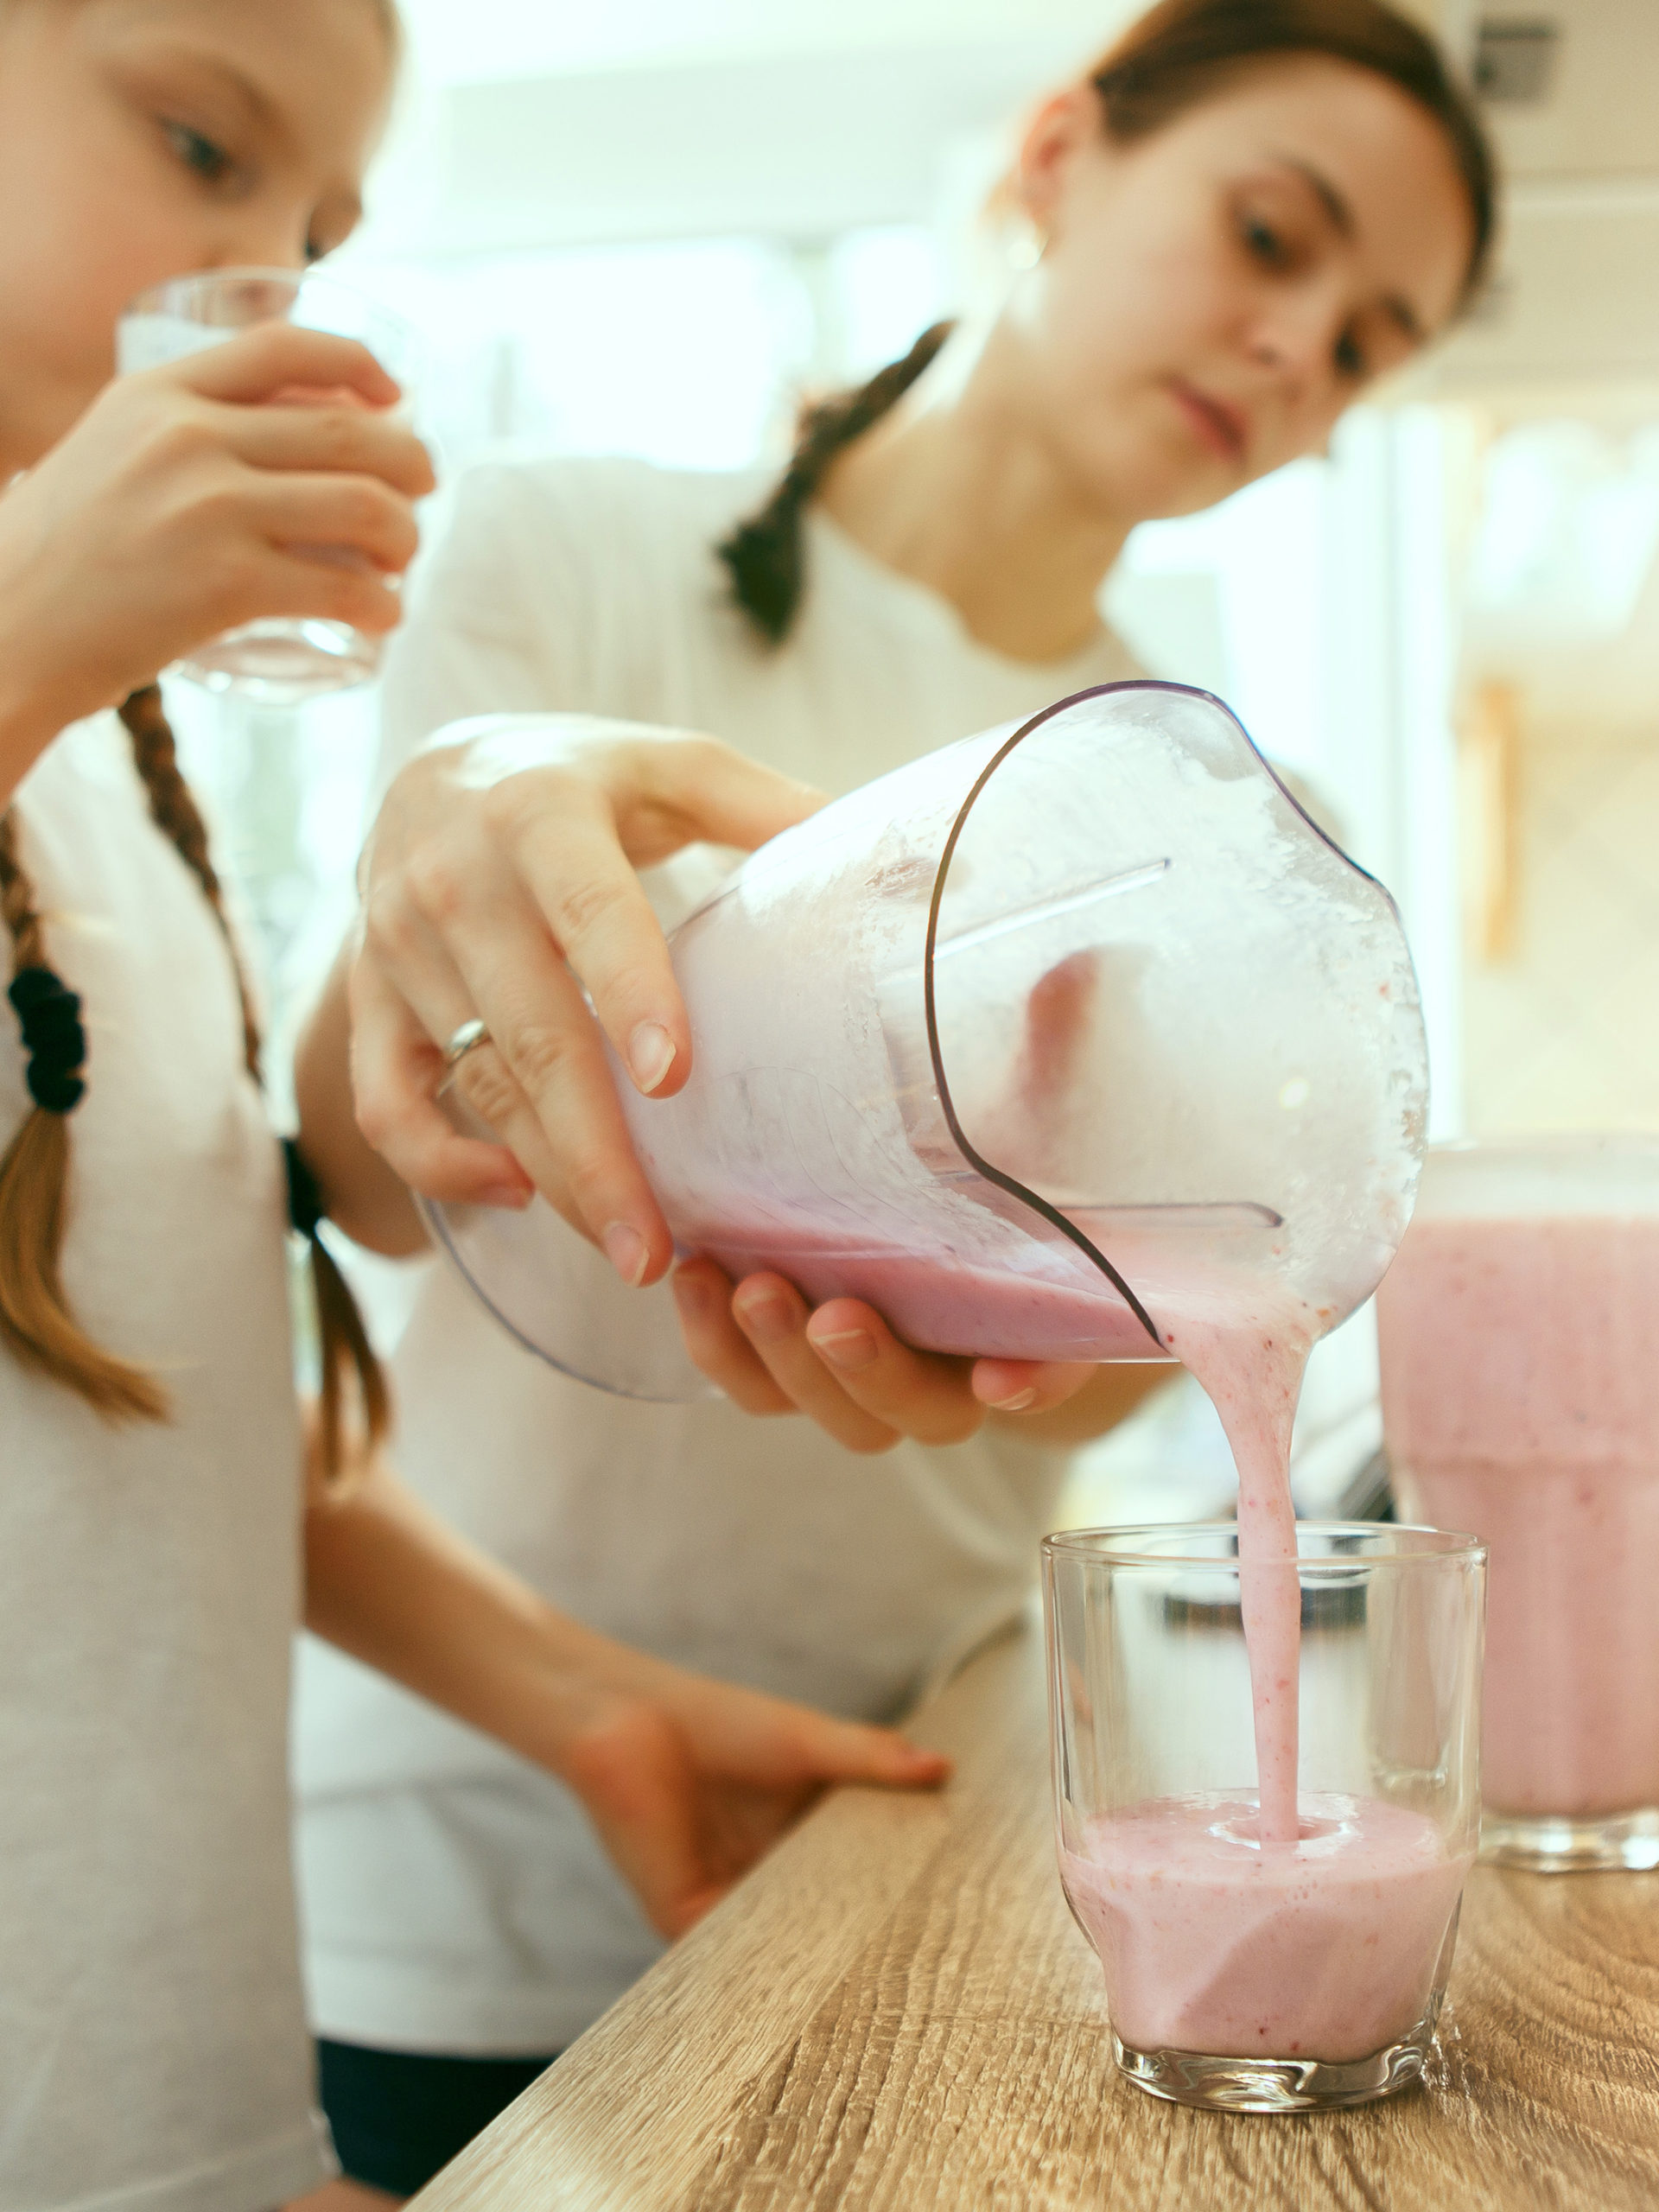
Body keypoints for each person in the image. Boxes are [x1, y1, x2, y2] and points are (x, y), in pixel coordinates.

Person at [289, 0, 1498, 2187]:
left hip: (908, 1816)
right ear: (1057, 156)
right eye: (1268, 235)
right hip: (464, 1828)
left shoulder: (1235, 815)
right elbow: (372, 1172)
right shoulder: (571, 565)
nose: (1297, 347)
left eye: (1367, 342)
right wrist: (448, 836)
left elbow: (1153, 1357)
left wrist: (1037, 1375)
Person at [0, 7, 949, 2210]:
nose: (267, 288)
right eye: (197, 140)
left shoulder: (105, 798)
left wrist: (581, 1698)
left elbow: (142, 1401)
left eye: (319, 232)